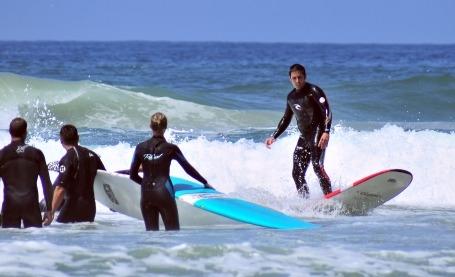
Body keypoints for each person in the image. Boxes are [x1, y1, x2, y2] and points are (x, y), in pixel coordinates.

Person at [130, 112, 212, 231]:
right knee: (173, 235)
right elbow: (187, 168)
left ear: (150, 126)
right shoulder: (170, 148)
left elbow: (132, 175)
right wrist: (204, 182)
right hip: (164, 193)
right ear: (165, 128)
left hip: (146, 195)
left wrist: (145, 184)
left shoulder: (140, 147)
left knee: (151, 237)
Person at [265, 64, 332, 198]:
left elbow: (327, 111)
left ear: (304, 77)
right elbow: (286, 118)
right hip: (304, 136)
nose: (297, 81)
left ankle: (330, 196)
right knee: (297, 173)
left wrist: (326, 131)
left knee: (317, 166)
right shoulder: (291, 97)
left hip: (318, 132)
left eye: (300, 77)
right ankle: (305, 200)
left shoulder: (314, 91)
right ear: (290, 79)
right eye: (294, 78)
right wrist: (274, 136)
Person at [0, 117, 53, 228]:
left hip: (10, 205)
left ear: (10, 132)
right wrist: (49, 209)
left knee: (12, 242)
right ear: (25, 133)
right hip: (31, 206)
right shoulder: (37, 153)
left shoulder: (3, 154)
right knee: (34, 243)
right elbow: (46, 183)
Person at [49, 124, 106, 223]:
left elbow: (60, 188)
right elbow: (104, 177)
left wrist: (51, 212)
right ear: (78, 138)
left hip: (72, 208)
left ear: (61, 140)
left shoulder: (68, 158)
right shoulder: (93, 155)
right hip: (90, 210)